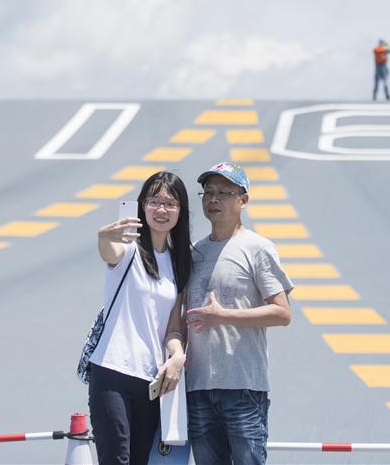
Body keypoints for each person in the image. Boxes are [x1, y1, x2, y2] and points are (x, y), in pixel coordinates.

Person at [184, 162, 294, 465]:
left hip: (243, 388)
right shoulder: (194, 251)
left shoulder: (257, 248)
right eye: (208, 193)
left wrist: (224, 316)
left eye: (223, 193)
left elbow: (282, 313)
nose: (213, 200)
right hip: (198, 387)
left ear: (242, 200)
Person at [89, 171, 193, 465]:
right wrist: (104, 238)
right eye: (154, 201)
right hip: (111, 371)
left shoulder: (179, 261)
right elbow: (110, 252)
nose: (161, 210)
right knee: (116, 460)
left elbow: (173, 328)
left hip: (150, 380)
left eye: (170, 203)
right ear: (142, 206)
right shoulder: (129, 249)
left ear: (181, 211)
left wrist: (177, 357)